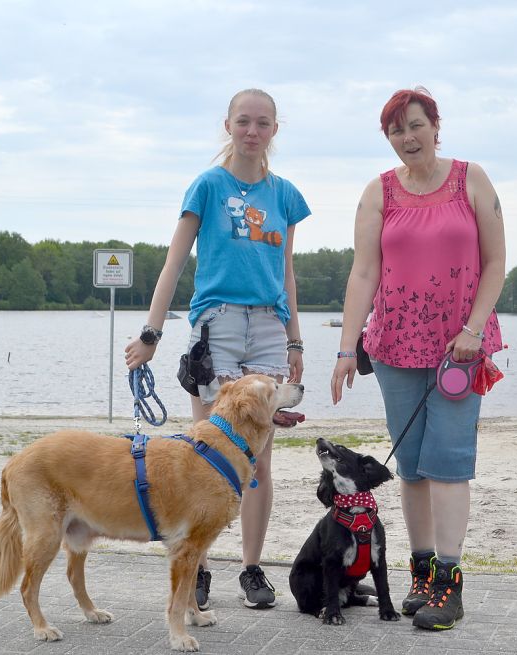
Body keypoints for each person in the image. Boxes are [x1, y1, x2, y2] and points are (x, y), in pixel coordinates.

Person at [124, 88, 310, 611]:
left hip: (270, 325)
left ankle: (251, 570)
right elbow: (175, 261)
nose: (253, 131)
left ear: (276, 129)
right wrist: (151, 333)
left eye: (263, 123)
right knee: (205, 453)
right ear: (227, 125)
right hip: (218, 322)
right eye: (244, 122)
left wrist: (295, 338)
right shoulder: (208, 185)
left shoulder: (285, 195)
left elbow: (287, 272)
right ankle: (198, 568)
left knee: (259, 461)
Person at [330, 87, 505, 631]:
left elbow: (497, 262)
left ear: (435, 126)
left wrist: (474, 329)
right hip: (395, 346)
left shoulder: (470, 179)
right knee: (411, 468)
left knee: (449, 463)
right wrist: (344, 348)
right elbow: (364, 273)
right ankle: (422, 571)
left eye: (415, 125)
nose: (408, 138)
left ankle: (449, 582)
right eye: (396, 131)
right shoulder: (378, 192)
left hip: (460, 348)